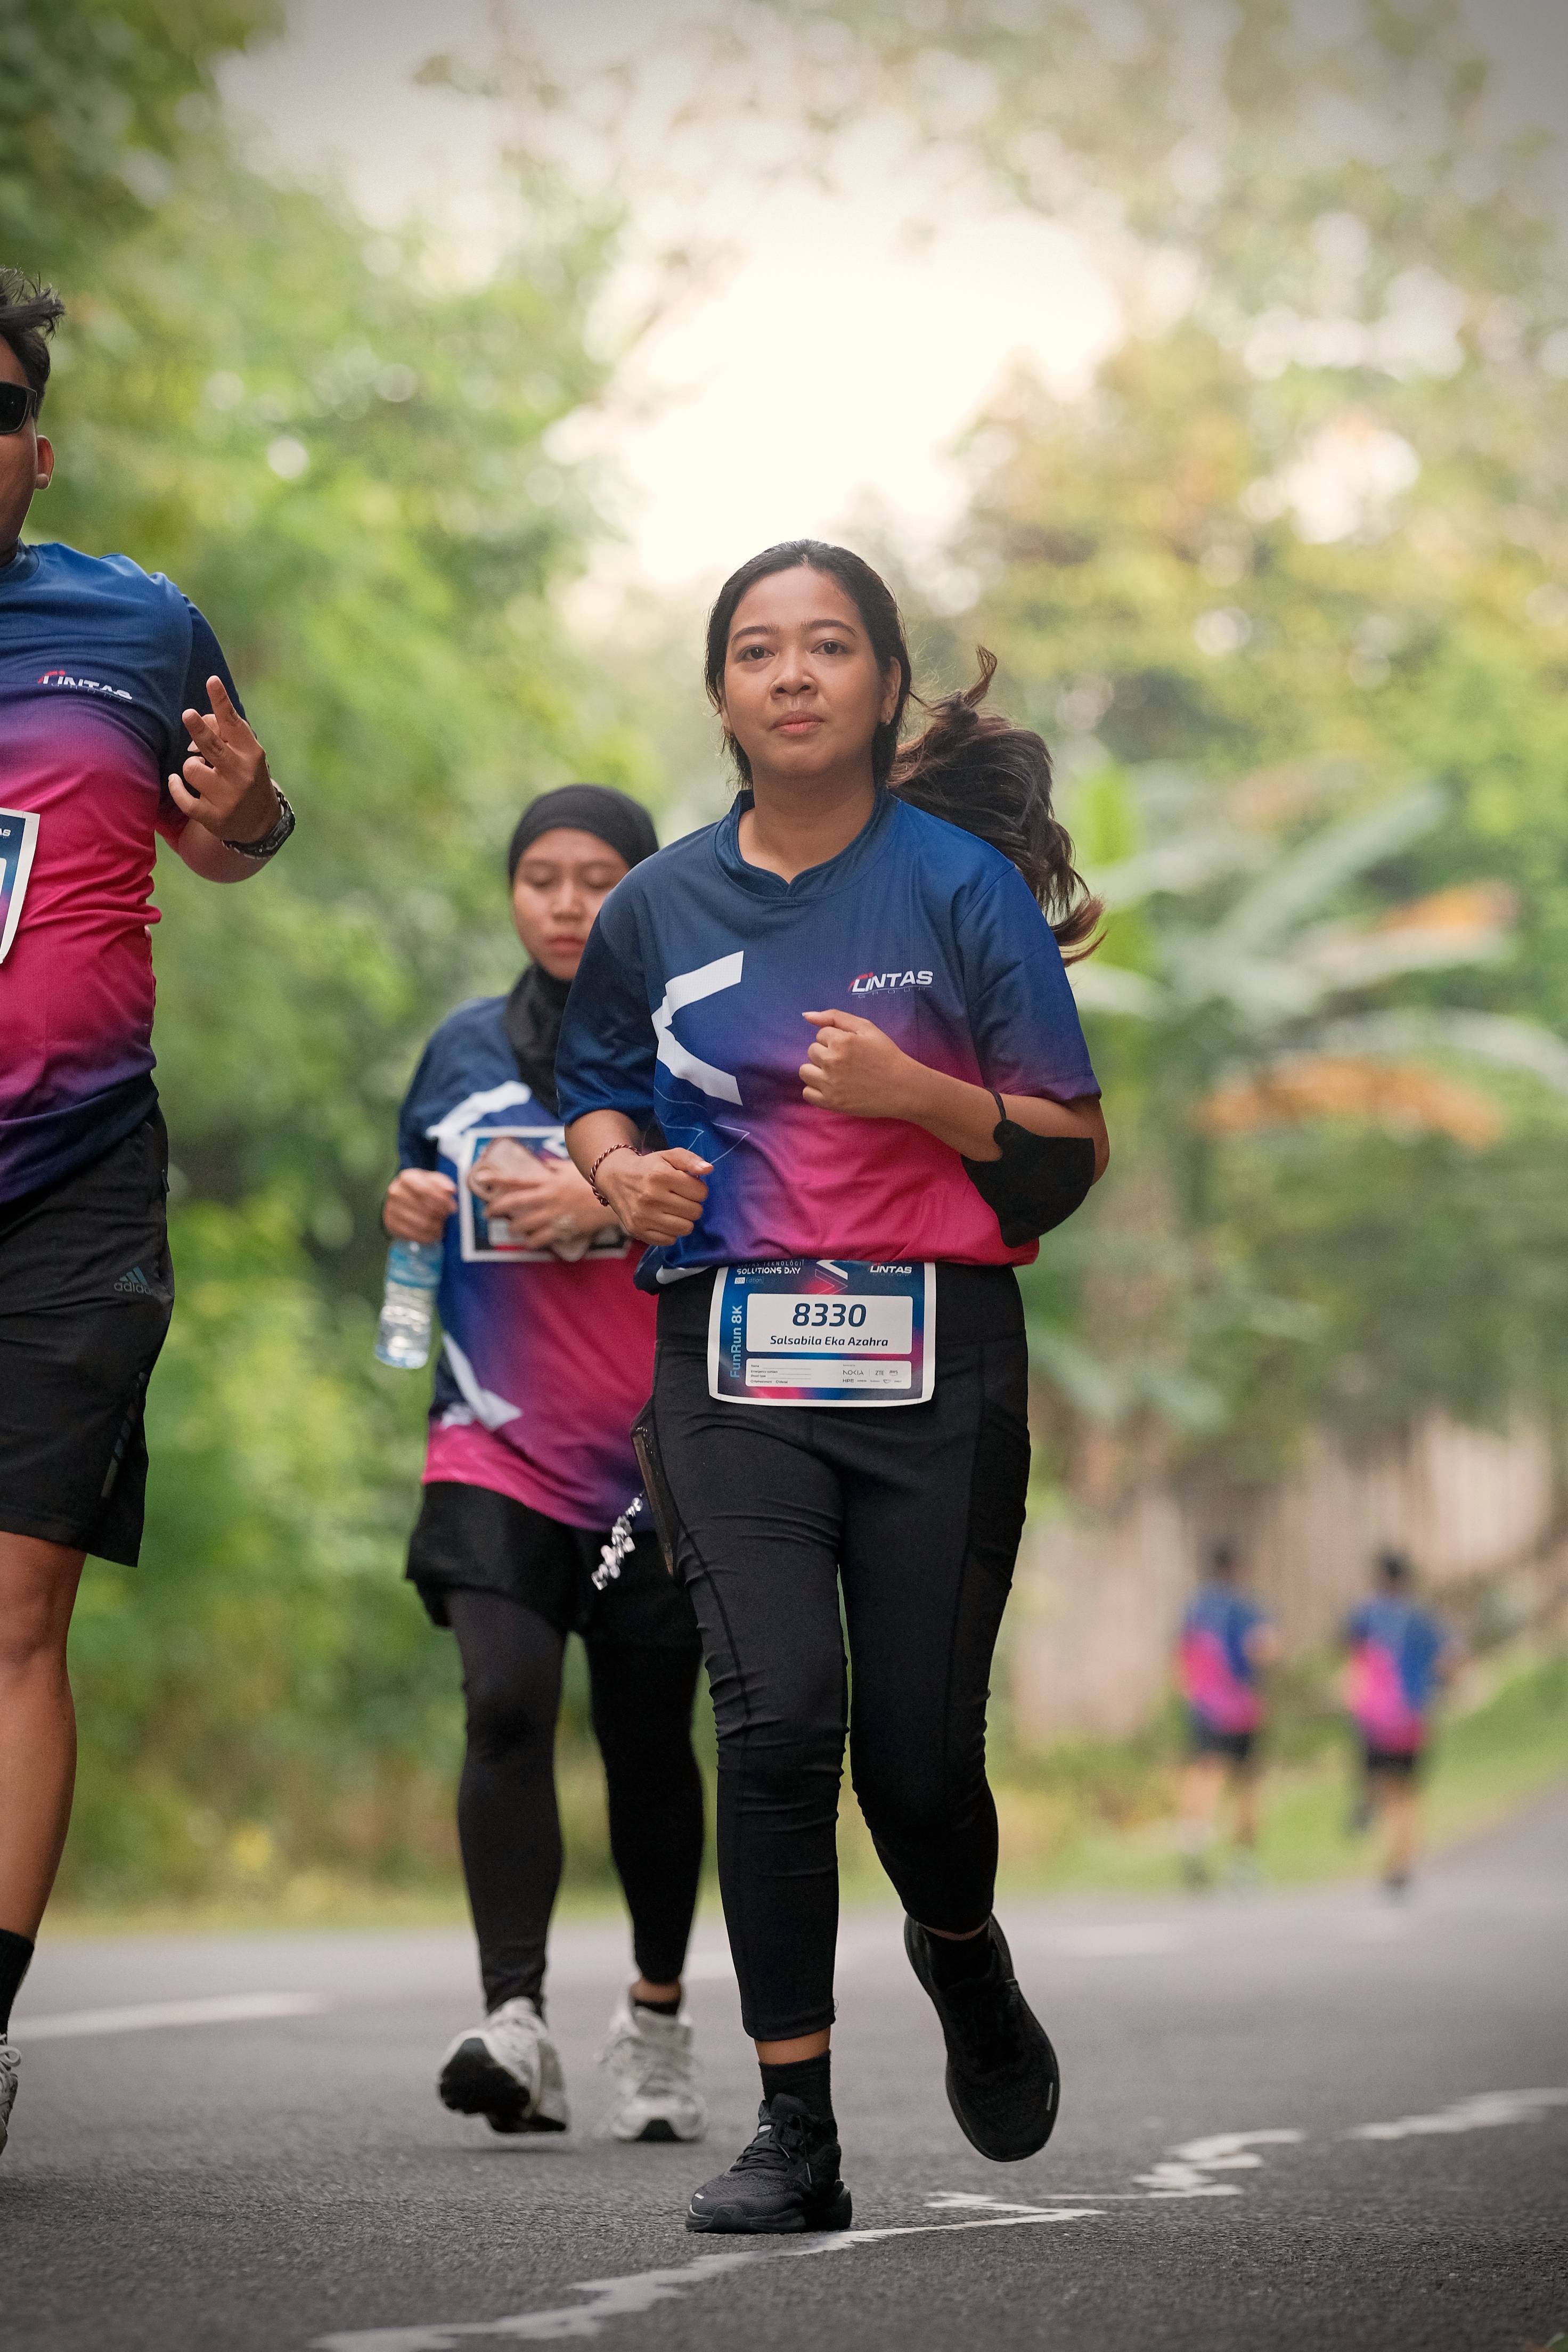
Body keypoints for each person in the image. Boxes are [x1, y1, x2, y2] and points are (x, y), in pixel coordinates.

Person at [557, 539, 1108, 2234]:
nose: (791, 674)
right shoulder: (655, 908)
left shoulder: (960, 890)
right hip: (729, 1364)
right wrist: (621, 1174)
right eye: (756, 649)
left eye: (827, 645)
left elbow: (1068, 1150)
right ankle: (793, 2127)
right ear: (721, 696)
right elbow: (593, 1088)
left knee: (919, 1768)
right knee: (779, 1715)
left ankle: (965, 1954)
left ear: (883, 685)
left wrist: (917, 1092)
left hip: (940, 1358)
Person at [0, 275, 296, 2160]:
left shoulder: (136, 622)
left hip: (72, 1176)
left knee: (14, 1615)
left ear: (35, 447)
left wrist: (253, 807)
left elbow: (230, 836)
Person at [386, 785, 708, 2143]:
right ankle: (512, 2023)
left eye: (598, 877)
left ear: (644, 892)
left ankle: (654, 2018)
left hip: (655, 1462)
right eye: (541, 877)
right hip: (493, 1438)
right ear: (512, 893)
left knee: (647, 1740)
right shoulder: (459, 1053)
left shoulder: (692, 1048)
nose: (567, 903)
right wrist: (407, 1213)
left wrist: (605, 1192)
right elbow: (416, 1221)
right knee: (505, 1704)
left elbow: (756, 1199)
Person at [1343, 1550, 1455, 1894]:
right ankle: (1402, 1862)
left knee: (1385, 1787)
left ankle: (1368, 1804)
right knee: (1408, 1793)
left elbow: (1353, 1661)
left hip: (1374, 1719)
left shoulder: (1365, 1615)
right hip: (1411, 1719)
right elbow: (1448, 1661)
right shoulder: (1422, 1618)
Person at [1174, 1540, 1280, 1888]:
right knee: (1247, 1784)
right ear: (1236, 1567)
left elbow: (1182, 1659)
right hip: (1241, 1709)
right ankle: (1243, 1863)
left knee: (1205, 1774)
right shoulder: (1246, 1607)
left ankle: (1194, 1840)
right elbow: (1264, 1649)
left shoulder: (1196, 1608)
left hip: (1205, 1708)